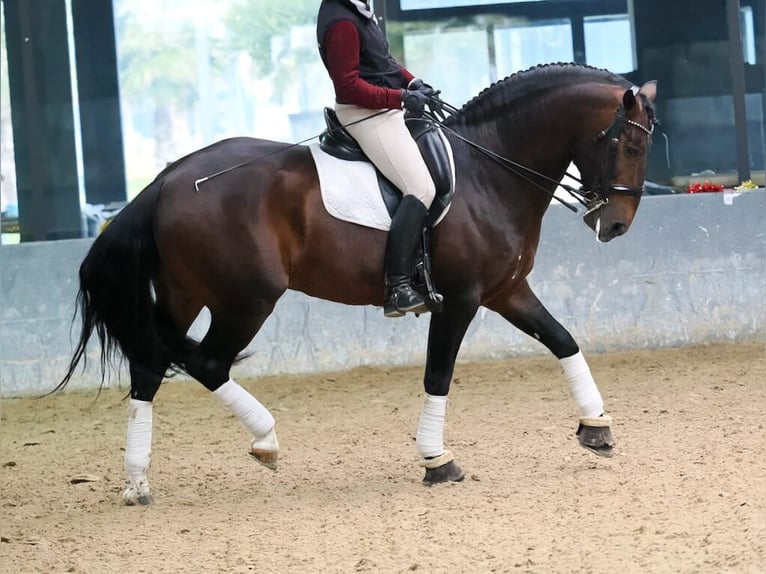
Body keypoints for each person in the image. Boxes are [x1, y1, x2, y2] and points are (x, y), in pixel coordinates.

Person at [316, 0, 439, 318]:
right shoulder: (341, 21)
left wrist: (412, 82)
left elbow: (383, 63)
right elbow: (348, 86)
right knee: (421, 187)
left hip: (384, 109)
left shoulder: (359, 11)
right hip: (366, 115)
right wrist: (400, 97)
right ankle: (398, 287)